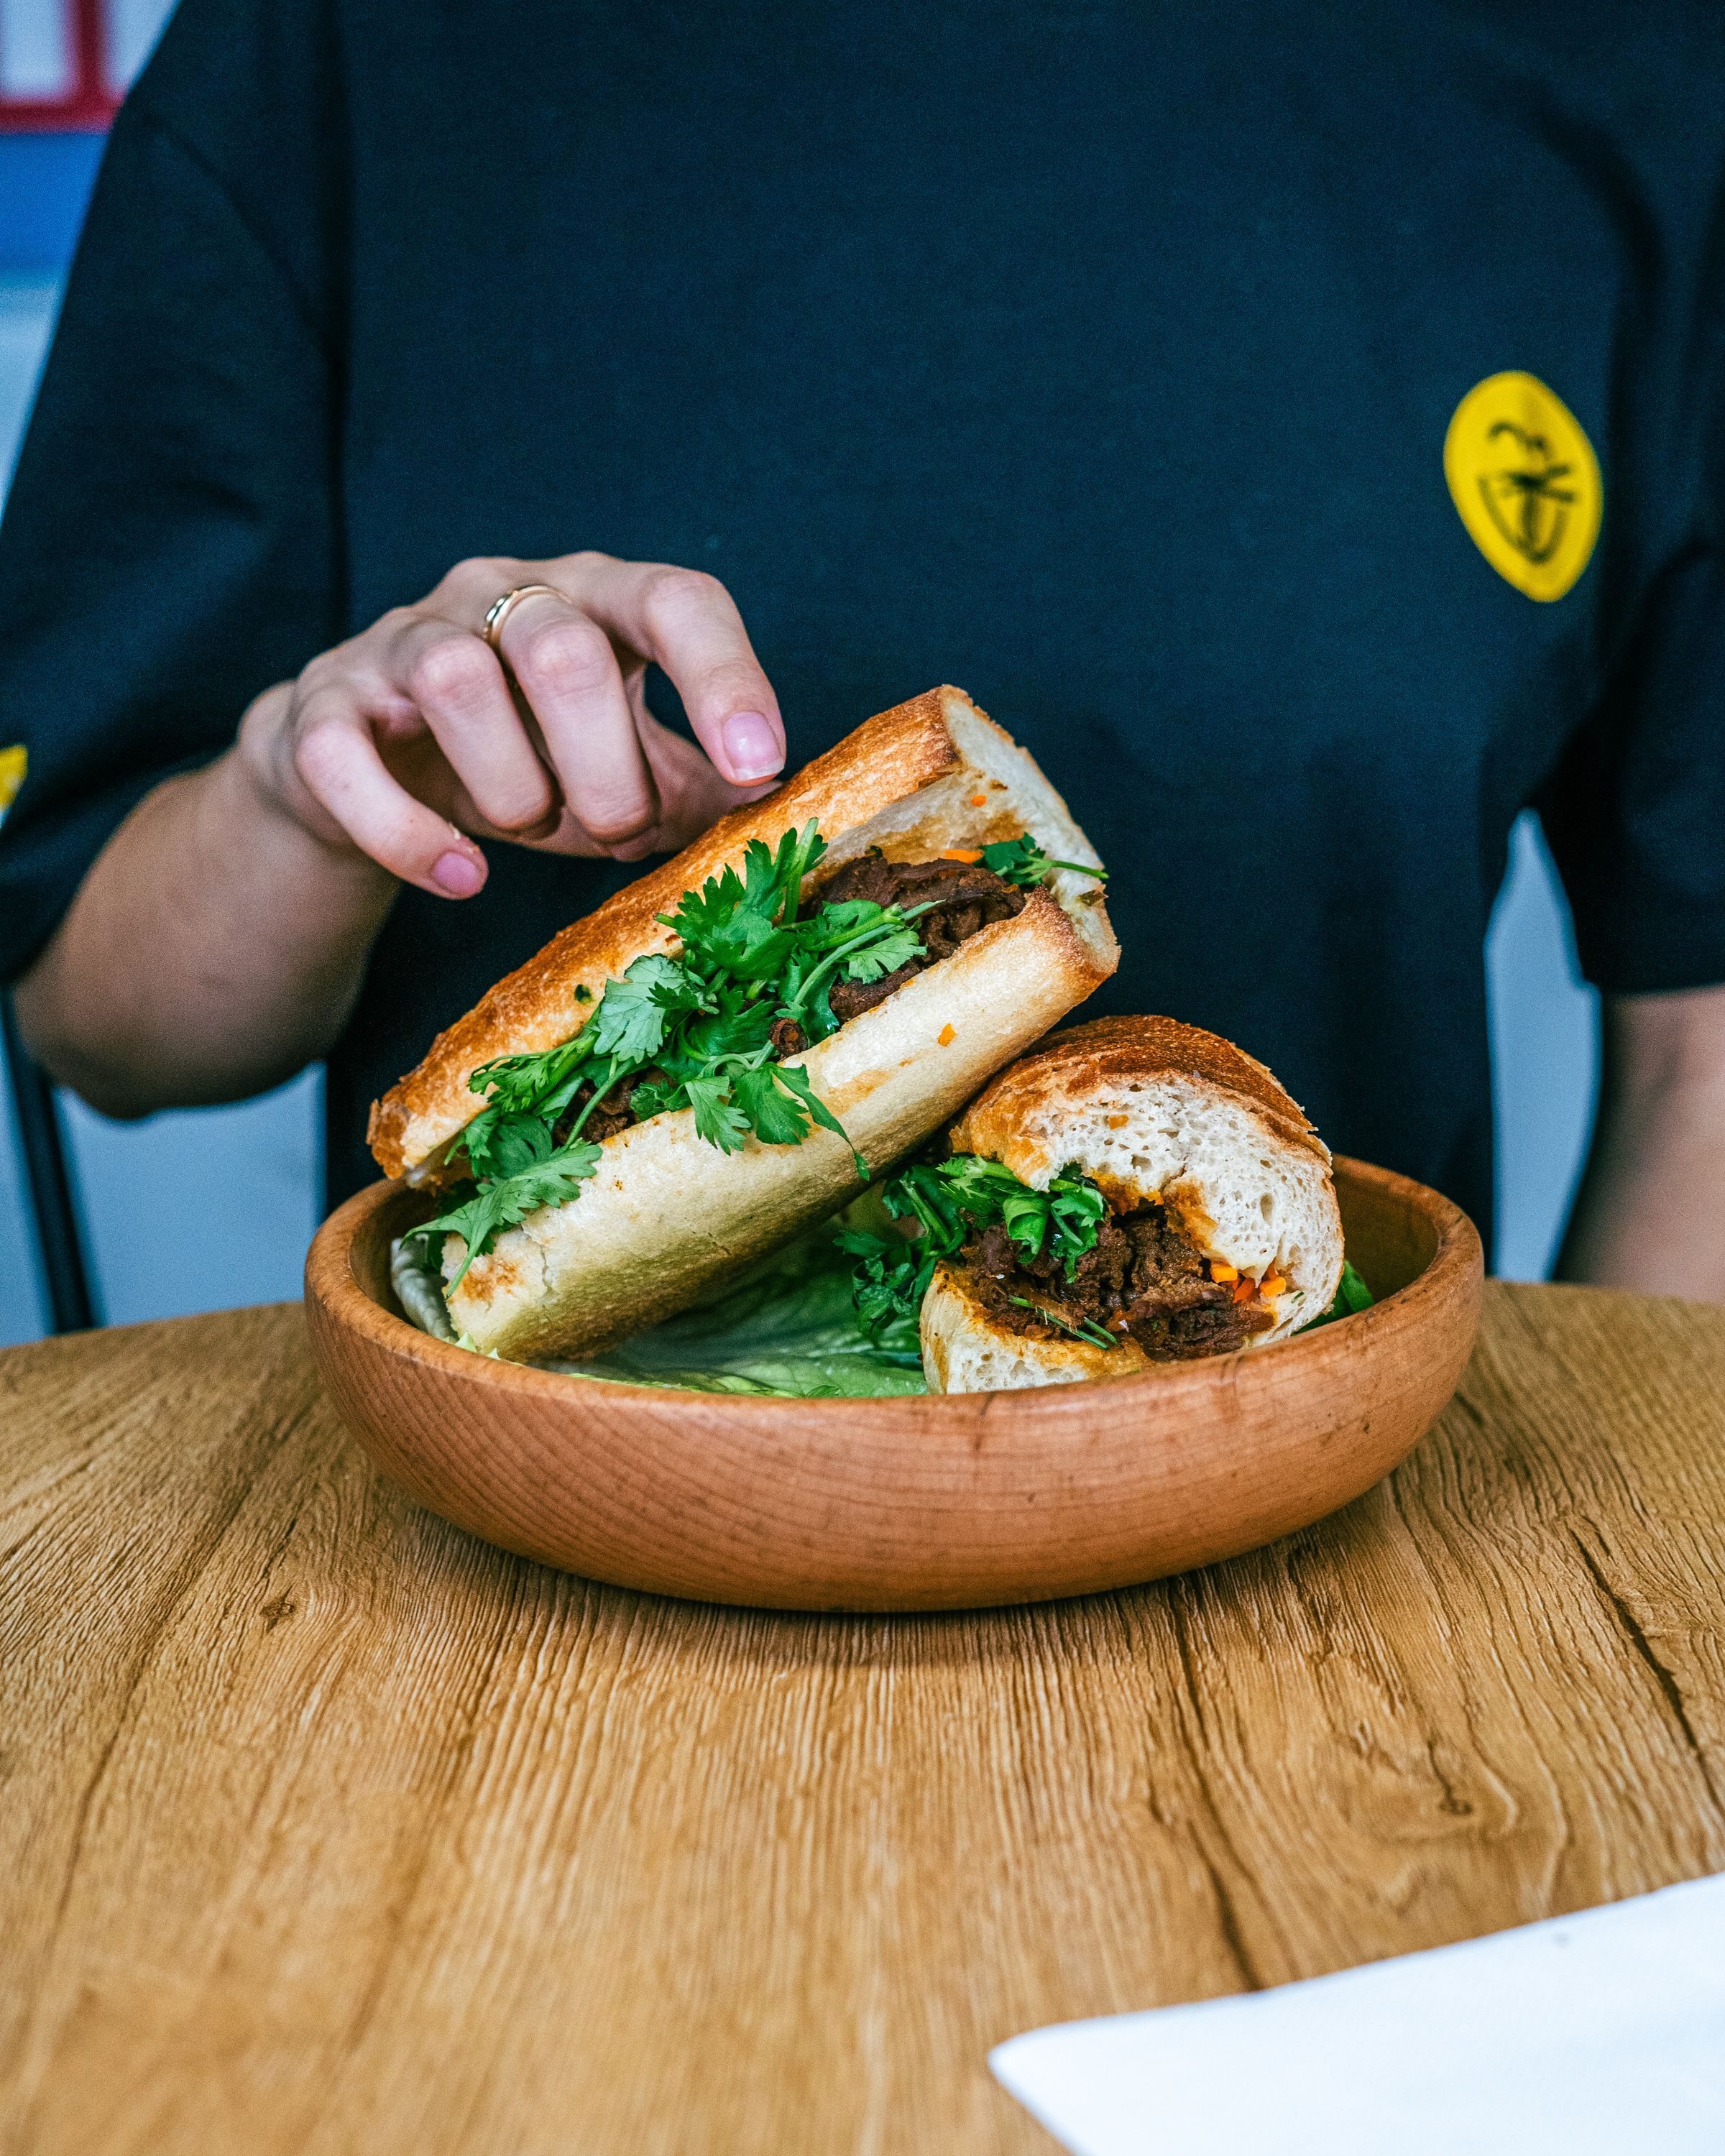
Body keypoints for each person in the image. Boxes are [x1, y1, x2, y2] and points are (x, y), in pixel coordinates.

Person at [1, 0, 1721, 1295]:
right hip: (519, 1594)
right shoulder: (340, 49)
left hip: (1318, 1546)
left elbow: (1702, 1055)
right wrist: (313, 803)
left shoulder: (1637, 76)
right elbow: (101, 1023)